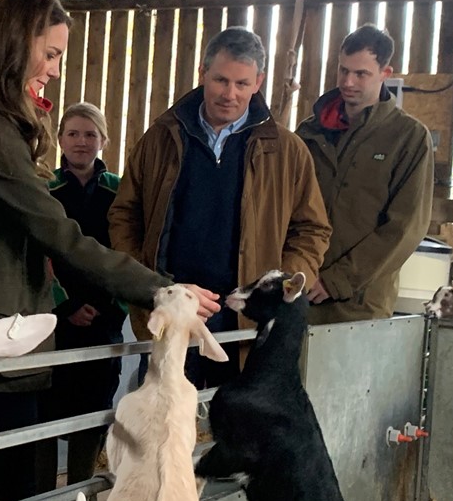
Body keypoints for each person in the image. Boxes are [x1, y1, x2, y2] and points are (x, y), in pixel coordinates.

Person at [0, 0, 211, 501]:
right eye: (50, 54)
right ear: (16, 43)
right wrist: (160, 289)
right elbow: (59, 235)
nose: (54, 69)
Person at [108, 26, 332, 388]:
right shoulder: (160, 139)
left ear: (258, 82)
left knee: (234, 418)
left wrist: (277, 289)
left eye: (242, 83)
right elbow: (124, 214)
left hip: (245, 321)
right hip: (173, 311)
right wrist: (147, 281)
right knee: (167, 416)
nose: (230, 94)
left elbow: (312, 228)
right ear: (203, 73)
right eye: (221, 80)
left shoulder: (287, 151)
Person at [296, 25, 434, 324]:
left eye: (361, 74)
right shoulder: (310, 132)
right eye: (343, 70)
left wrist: (338, 280)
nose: (348, 82)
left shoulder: (408, 138)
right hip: (298, 291)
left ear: (385, 73)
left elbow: (404, 228)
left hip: (359, 304)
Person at [45, 102, 125, 486]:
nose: (81, 141)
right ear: (60, 139)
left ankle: (80, 494)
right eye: (73, 134)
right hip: (56, 318)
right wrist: (65, 305)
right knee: (48, 410)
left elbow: (129, 249)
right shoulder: (44, 190)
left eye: (90, 134)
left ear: (103, 140)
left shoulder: (120, 191)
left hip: (105, 319)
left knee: (93, 413)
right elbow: (37, 251)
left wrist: (116, 305)